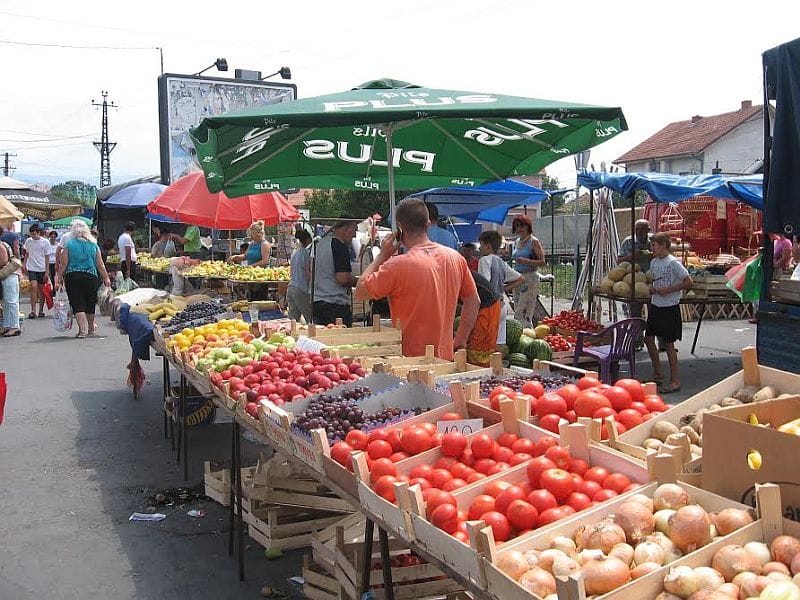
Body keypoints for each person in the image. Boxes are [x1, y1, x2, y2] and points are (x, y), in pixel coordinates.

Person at [355, 199, 480, 359]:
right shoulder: (455, 258)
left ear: (400, 228)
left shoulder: (397, 265)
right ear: (428, 224)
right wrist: (460, 340)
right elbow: (473, 300)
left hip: (410, 361)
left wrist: (382, 256)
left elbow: (360, 292)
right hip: (444, 358)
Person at [644, 233, 693, 394]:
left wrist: (669, 290)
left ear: (664, 245)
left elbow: (688, 282)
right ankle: (658, 373)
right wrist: (652, 289)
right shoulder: (654, 262)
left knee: (668, 344)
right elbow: (654, 281)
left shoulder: (673, 263)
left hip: (669, 307)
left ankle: (675, 380)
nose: (652, 248)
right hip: (656, 305)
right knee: (648, 338)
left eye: (654, 245)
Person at [56, 219, 111, 338]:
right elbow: (100, 264)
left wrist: (59, 277)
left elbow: (63, 263)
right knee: (90, 302)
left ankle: (82, 331)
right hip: (90, 276)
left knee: (77, 303)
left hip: (73, 276)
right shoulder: (93, 245)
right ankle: (91, 327)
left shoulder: (69, 244)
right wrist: (106, 278)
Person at [477, 230, 525, 348]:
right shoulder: (501, 262)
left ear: (487, 246)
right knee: (499, 343)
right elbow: (521, 279)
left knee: (485, 344)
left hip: (489, 307)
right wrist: (503, 288)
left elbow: (484, 283)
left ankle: (488, 365)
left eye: (481, 245)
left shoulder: (484, 260)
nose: (479, 249)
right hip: (502, 305)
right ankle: (500, 365)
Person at [313, 219, 358, 326]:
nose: (355, 235)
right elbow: (342, 278)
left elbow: (308, 271)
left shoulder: (318, 245)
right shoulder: (339, 247)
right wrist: (359, 281)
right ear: (345, 229)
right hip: (335, 305)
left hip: (318, 302)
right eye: (353, 230)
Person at [510, 215, 546, 328]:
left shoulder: (533, 241)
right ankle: (519, 331)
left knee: (525, 308)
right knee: (516, 305)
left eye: (522, 226)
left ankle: (526, 330)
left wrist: (526, 261)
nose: (520, 229)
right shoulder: (516, 242)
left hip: (530, 277)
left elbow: (542, 261)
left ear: (527, 227)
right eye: (517, 226)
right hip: (518, 277)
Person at [464, 270, 503, 366]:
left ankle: (481, 378)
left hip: (488, 308)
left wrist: (461, 336)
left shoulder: (455, 273)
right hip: (477, 308)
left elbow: (474, 301)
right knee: (472, 348)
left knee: (480, 350)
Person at [22, 224, 51, 319]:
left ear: (39, 233)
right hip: (32, 267)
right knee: (33, 287)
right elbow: (27, 253)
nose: (33, 236)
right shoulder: (28, 241)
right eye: (31, 234)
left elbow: (47, 257)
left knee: (41, 290)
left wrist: (47, 271)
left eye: (34, 234)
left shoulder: (45, 242)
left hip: (42, 268)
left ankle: (41, 309)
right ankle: (33, 310)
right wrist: (24, 264)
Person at [287, 229, 313, 323]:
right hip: (301, 289)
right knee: (310, 320)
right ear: (308, 240)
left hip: (291, 287)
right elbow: (308, 273)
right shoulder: (307, 254)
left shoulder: (295, 253)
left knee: (292, 320)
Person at [0, 237, 22, 336]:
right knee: (7, 302)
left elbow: (3, 261)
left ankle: (14, 326)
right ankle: (7, 325)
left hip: (9, 275)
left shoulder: (1, 246)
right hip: (8, 275)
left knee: (11, 301)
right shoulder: (4, 244)